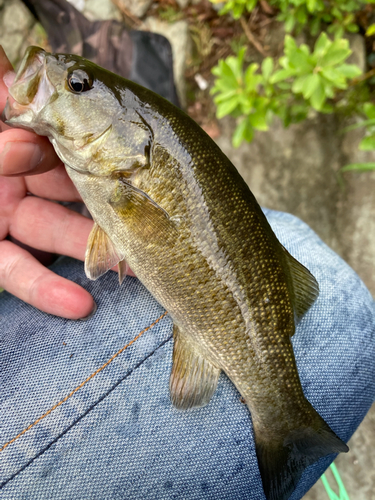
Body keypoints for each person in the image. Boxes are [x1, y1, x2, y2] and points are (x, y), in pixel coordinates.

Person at [0, 46, 374, 500]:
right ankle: (285, 426)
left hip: (223, 312)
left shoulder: (124, 177)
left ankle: (283, 422)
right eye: (79, 85)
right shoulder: (119, 173)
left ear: (134, 142)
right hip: (223, 302)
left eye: (77, 85)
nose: (61, 78)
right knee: (342, 298)